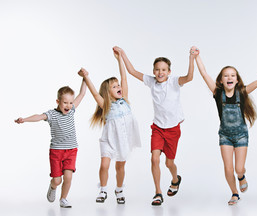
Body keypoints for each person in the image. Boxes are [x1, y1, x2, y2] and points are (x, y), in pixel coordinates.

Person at [194, 52, 257, 205]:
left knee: (239, 168)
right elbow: (203, 73)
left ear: (237, 79)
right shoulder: (217, 93)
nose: (229, 78)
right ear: (221, 80)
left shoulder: (242, 93)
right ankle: (234, 193)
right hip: (225, 136)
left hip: (241, 135)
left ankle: (241, 176)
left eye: (233, 75)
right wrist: (196, 56)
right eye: (226, 75)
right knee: (228, 169)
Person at [119, 46, 198, 205]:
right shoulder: (151, 81)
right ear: (153, 71)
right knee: (154, 159)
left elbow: (189, 77)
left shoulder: (174, 82)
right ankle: (158, 192)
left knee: (169, 163)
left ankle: (175, 179)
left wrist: (191, 58)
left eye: (163, 69)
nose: (160, 72)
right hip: (157, 128)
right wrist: (122, 53)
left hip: (173, 129)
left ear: (169, 71)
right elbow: (132, 71)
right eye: (157, 69)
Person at [78, 47, 141, 204]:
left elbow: (124, 78)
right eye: (114, 86)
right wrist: (86, 77)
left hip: (123, 140)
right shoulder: (105, 104)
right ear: (107, 92)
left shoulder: (125, 99)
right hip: (109, 140)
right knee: (104, 165)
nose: (119, 87)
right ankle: (103, 190)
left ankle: (119, 190)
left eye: (118, 85)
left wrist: (119, 58)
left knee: (120, 167)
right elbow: (94, 93)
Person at [14, 80, 87, 208]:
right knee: (57, 180)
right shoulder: (52, 114)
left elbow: (82, 94)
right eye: (65, 102)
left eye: (70, 102)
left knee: (68, 177)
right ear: (58, 102)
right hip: (56, 152)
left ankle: (63, 199)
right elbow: (38, 116)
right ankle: (53, 186)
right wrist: (24, 120)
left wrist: (85, 78)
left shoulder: (71, 111)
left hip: (71, 150)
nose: (69, 105)